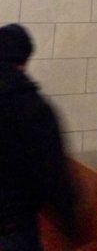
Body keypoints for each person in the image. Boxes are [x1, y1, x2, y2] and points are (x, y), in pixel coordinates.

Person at [0, 23, 81, 251]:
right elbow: (53, 171)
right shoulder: (31, 107)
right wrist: (72, 226)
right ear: (25, 58)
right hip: (14, 230)